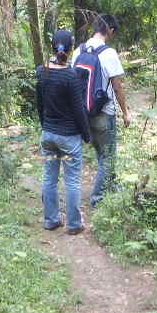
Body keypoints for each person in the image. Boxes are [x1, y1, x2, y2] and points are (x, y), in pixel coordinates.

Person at [72, 14, 131, 208]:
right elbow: (117, 86)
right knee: (108, 157)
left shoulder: (78, 50)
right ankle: (98, 199)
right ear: (110, 31)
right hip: (104, 113)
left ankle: (111, 188)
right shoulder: (109, 53)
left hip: (84, 114)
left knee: (101, 154)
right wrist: (125, 112)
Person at [35, 29, 90, 234]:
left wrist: (45, 126)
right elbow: (79, 110)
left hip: (48, 136)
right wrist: (86, 134)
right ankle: (74, 224)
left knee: (49, 178)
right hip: (68, 139)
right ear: (70, 48)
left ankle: (51, 220)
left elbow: (39, 104)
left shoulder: (41, 72)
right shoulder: (71, 76)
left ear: (53, 47)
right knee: (72, 180)